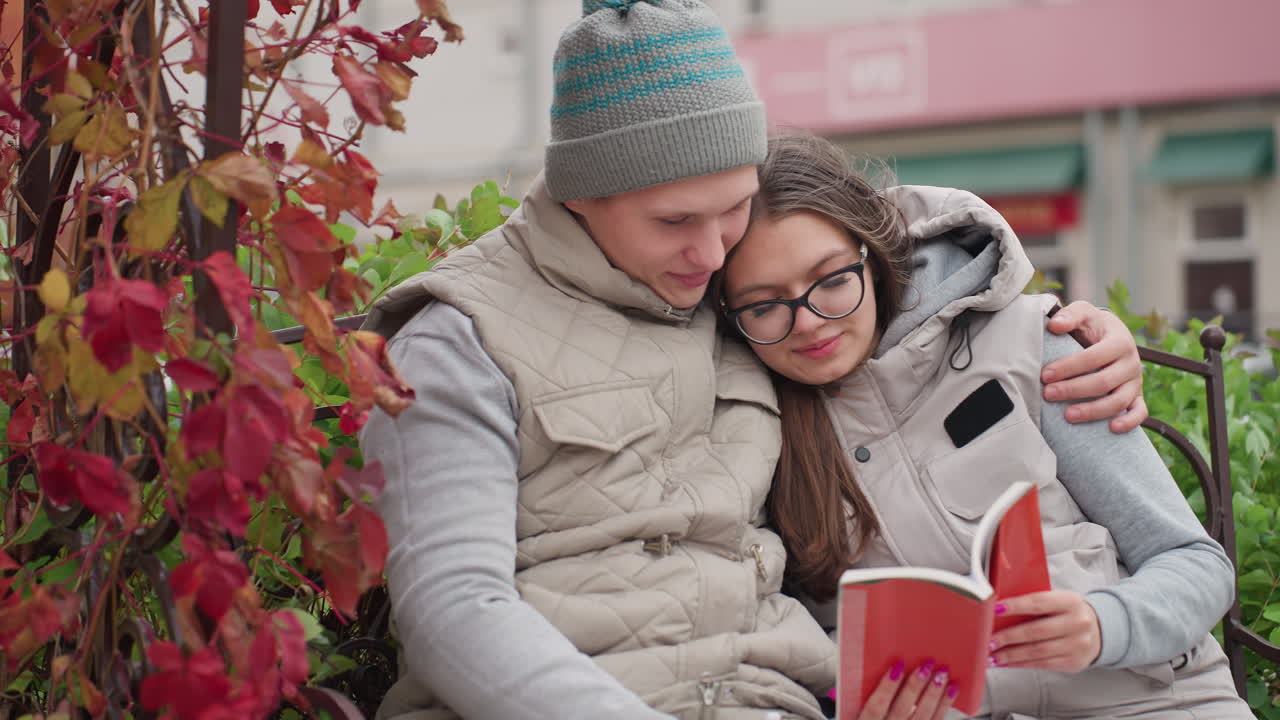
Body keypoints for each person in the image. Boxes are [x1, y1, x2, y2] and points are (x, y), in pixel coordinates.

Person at [358, 2, 1148, 718]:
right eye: (674, 221)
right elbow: (453, 609)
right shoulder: (459, 339)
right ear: (578, 196)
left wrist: (1067, 331)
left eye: (733, 206)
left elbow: (893, 261)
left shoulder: (735, 295)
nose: (709, 251)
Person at [715, 132, 1251, 720]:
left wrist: (1105, 624)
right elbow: (792, 652)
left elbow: (1197, 566)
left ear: (871, 251)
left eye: (832, 281)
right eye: (765, 305)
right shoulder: (757, 431)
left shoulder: (1030, 345)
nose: (810, 322)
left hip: (1154, 699)